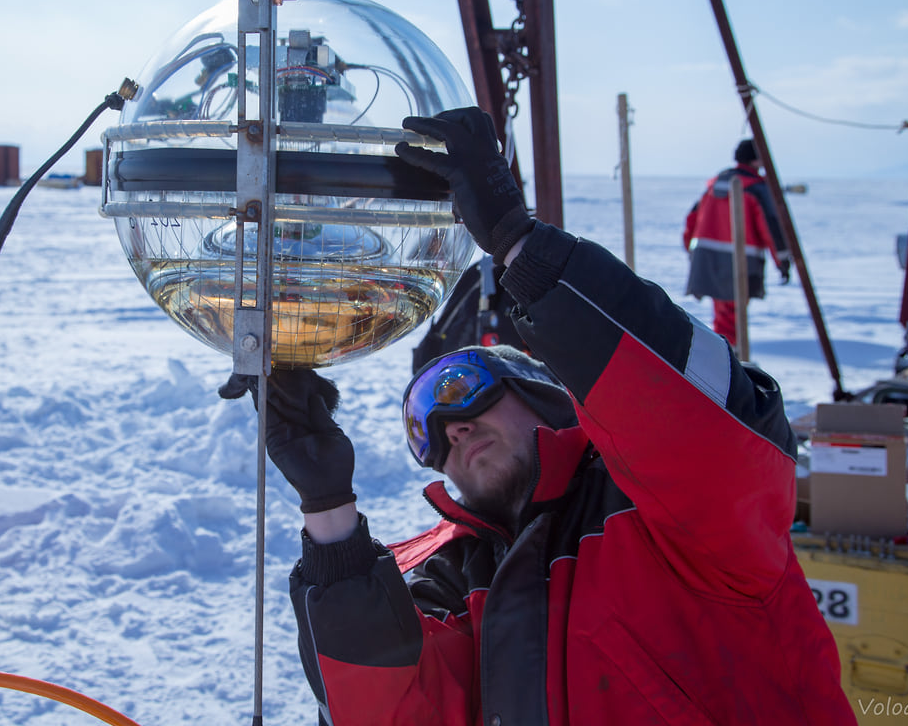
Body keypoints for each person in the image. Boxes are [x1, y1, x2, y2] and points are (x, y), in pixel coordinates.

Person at [224, 108, 854, 724]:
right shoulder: (455, 580)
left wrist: (525, 250)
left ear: (543, 393)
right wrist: (329, 508)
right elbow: (393, 712)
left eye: (464, 387)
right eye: (426, 433)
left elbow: (713, 434)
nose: (451, 428)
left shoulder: (661, 514)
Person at [682, 137, 791, 348]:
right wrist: (783, 260)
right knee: (732, 320)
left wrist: (693, 253)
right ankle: (730, 365)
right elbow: (771, 228)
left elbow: (692, 220)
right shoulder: (755, 189)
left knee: (723, 317)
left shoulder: (714, 186)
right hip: (741, 264)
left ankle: (727, 360)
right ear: (757, 160)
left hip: (708, 260)